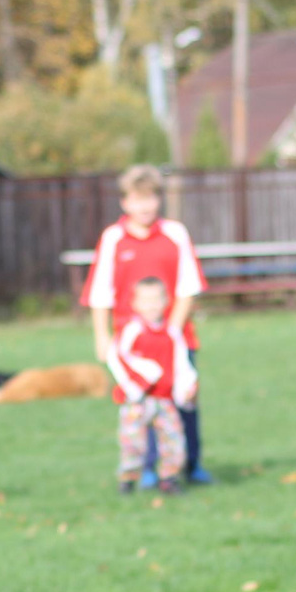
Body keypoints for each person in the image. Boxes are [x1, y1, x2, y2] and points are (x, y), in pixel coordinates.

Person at [84, 164, 209, 486]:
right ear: (125, 202)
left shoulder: (175, 233)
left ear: (159, 199)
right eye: (137, 199)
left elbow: (188, 287)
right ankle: (148, 469)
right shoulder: (113, 238)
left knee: (184, 400)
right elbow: (100, 292)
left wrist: (170, 333)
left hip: (174, 340)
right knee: (142, 408)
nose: (144, 206)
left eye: (150, 198)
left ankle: (191, 464)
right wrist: (102, 337)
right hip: (135, 347)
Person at [107, 274, 197, 495]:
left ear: (166, 301)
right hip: (138, 400)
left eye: (156, 299)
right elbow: (117, 357)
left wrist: (186, 386)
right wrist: (139, 381)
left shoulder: (172, 333)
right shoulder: (132, 330)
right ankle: (127, 479)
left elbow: (182, 364)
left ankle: (169, 479)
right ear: (135, 303)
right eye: (146, 300)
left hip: (165, 399)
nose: (151, 306)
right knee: (133, 442)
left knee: (173, 439)